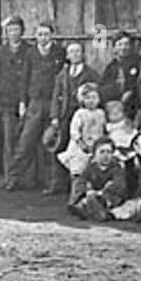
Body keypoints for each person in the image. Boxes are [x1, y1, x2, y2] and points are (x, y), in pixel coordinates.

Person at [47, 41, 98, 194]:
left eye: (78, 51)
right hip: (65, 115)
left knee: (82, 149)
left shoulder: (90, 73)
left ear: (82, 54)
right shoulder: (62, 74)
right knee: (60, 148)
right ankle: (57, 184)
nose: (75, 54)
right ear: (67, 56)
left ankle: (80, 185)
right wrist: (55, 116)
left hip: (82, 116)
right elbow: (56, 96)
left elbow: (95, 93)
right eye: (72, 52)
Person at [23, 21, 66, 192]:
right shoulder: (31, 53)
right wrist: (23, 102)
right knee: (26, 141)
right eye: (40, 34)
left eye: (46, 34)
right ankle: (18, 179)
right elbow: (25, 78)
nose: (43, 37)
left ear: (52, 36)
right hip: (34, 101)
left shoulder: (59, 52)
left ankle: (52, 182)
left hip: (52, 100)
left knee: (50, 142)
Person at [0, 16, 33, 191]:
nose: (13, 33)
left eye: (16, 29)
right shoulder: (0, 52)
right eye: (10, 30)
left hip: (27, 101)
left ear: (22, 31)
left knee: (27, 141)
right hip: (7, 102)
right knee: (9, 141)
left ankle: (28, 178)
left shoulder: (29, 51)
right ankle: (10, 178)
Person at [68, 138, 127, 221]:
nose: (105, 155)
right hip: (93, 195)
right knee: (87, 197)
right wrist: (87, 189)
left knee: (105, 199)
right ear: (94, 155)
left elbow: (119, 184)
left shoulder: (116, 168)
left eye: (109, 152)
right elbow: (82, 181)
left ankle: (100, 213)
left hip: (108, 197)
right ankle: (86, 208)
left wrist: (102, 192)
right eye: (102, 152)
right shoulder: (91, 168)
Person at [56, 83, 107, 178]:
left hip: (95, 145)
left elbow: (104, 129)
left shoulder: (101, 113)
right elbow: (74, 131)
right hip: (80, 146)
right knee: (78, 171)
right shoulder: (80, 114)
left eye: (94, 97)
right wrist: (81, 144)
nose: (91, 101)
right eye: (88, 98)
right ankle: (76, 189)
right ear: (82, 100)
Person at [99, 32, 141, 113]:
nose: (123, 47)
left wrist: (131, 92)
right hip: (116, 105)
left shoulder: (138, 63)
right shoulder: (111, 67)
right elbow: (104, 87)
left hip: (135, 103)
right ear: (114, 48)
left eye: (126, 44)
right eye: (120, 44)